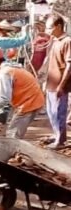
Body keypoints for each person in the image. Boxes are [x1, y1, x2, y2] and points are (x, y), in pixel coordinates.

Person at [0, 46, 44, 139]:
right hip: (33, 100)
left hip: (29, 103)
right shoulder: (10, 67)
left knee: (12, 137)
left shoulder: (4, 73)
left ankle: (18, 152)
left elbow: (4, 98)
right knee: (13, 132)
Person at [42, 14, 71, 149]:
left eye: (49, 28)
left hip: (59, 84)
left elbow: (69, 66)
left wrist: (61, 85)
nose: (48, 31)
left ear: (58, 26)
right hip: (51, 83)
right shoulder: (55, 41)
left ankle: (60, 140)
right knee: (51, 112)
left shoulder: (67, 41)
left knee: (59, 113)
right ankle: (56, 134)